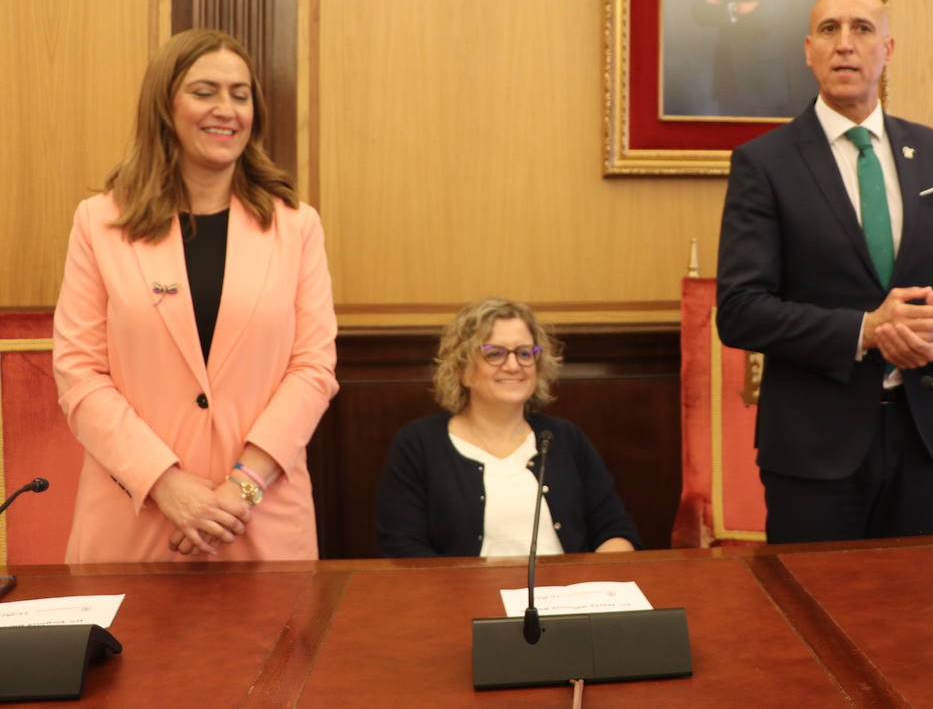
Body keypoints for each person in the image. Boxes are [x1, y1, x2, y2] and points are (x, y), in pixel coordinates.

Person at [715, 0, 933, 543]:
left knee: (912, 616)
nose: (845, 45)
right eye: (829, 30)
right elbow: (740, 310)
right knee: (814, 619)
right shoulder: (765, 163)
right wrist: (866, 330)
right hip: (812, 447)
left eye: (863, 30)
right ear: (808, 50)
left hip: (921, 436)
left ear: (888, 49)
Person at [52, 29, 338, 562]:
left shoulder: (296, 226)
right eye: (204, 92)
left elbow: (313, 368)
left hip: (261, 519)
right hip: (136, 519)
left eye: (240, 93)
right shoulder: (100, 223)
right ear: (165, 106)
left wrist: (241, 489)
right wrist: (165, 484)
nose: (226, 109)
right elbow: (79, 372)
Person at [375, 299, 641, 557]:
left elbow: (616, 531)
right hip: (465, 598)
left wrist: (592, 581)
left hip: (567, 597)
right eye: (495, 354)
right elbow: (403, 550)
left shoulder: (564, 438)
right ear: (463, 369)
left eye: (525, 353)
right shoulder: (418, 445)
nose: (513, 365)